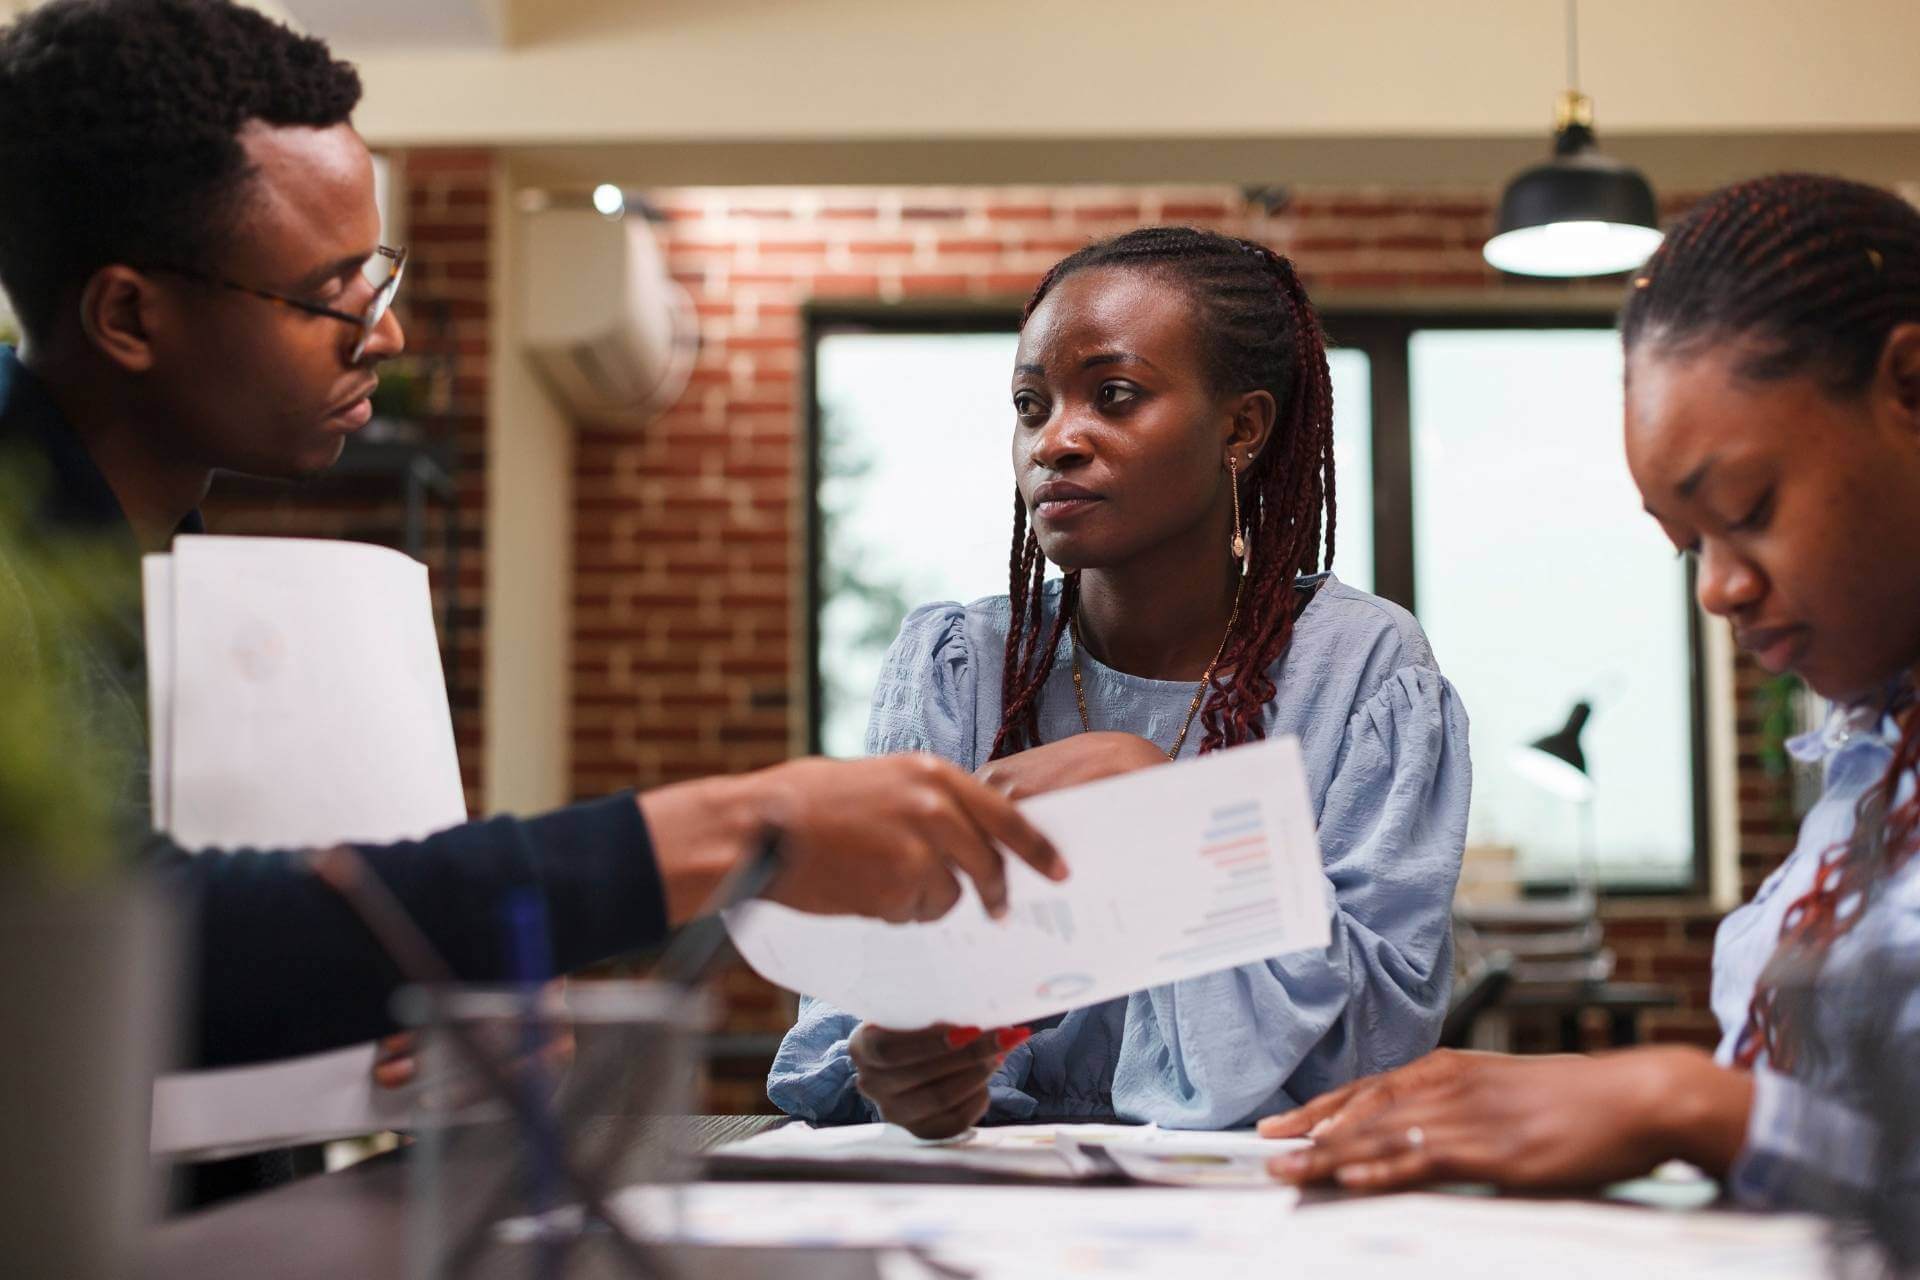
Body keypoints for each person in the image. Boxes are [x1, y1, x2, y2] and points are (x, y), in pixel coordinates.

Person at [0, 0, 1066, 1078]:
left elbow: (251, 960)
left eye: (380, 275)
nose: (390, 332)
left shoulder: (178, 574)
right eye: (332, 294)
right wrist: (734, 826)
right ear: (128, 318)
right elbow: (111, 945)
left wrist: (440, 988)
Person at [1260, 173, 1920, 1220]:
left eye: (1747, 507)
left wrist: (1691, 1101)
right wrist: (1551, 1092)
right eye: (1688, 545)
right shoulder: (1872, 755)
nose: (1717, 588)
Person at [768, 227, 1471, 1138]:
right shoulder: (962, 665)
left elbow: (1377, 1041)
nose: (1054, 441)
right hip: (986, 1199)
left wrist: (1166, 810)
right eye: (1030, 405)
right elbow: (851, 1006)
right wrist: (896, 1069)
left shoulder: (1362, 671)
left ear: (1241, 427)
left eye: (1114, 395)